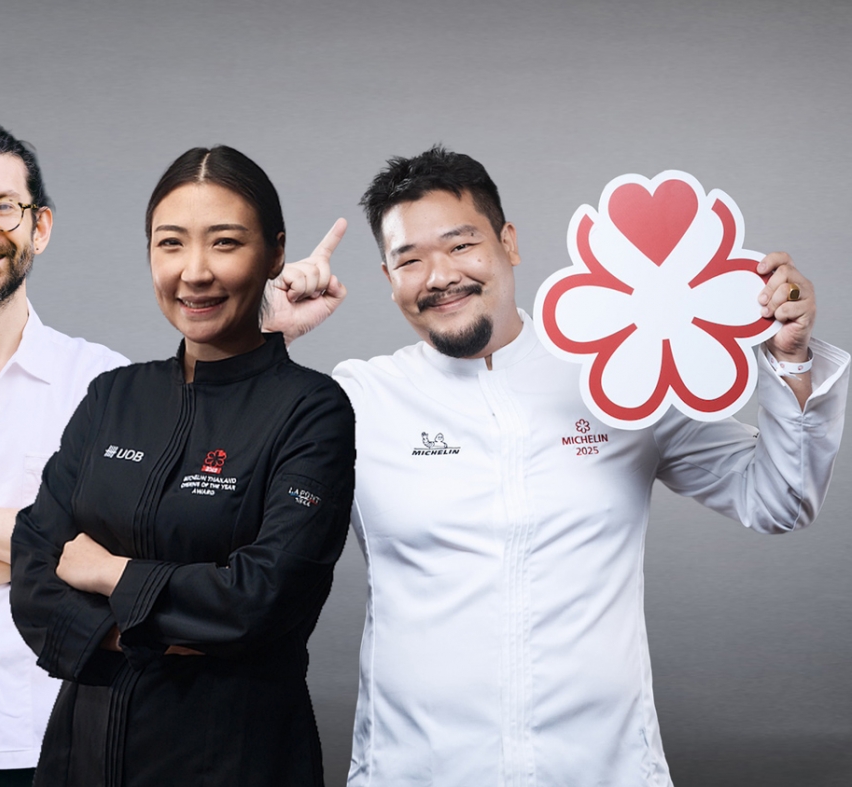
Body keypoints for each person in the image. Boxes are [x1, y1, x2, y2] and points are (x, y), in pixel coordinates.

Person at [317, 146, 847, 785]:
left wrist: (789, 361)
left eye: (461, 246)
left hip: (604, 767)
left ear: (508, 242)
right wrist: (263, 335)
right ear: (387, 275)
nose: (439, 276)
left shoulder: (620, 370)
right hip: (415, 770)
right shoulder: (355, 400)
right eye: (409, 259)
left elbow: (781, 500)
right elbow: (220, 506)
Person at [0, 125, 344, 786]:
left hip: (69, 731)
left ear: (39, 226)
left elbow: (166, 555)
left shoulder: (102, 383)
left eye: (5, 206)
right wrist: (58, 553)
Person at [9, 145, 356, 787]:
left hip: (235, 762)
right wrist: (156, 633)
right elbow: (33, 573)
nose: (194, 272)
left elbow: (261, 599)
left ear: (274, 254)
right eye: (171, 244)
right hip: (79, 761)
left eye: (225, 243)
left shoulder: (312, 409)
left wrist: (111, 574)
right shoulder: (114, 396)